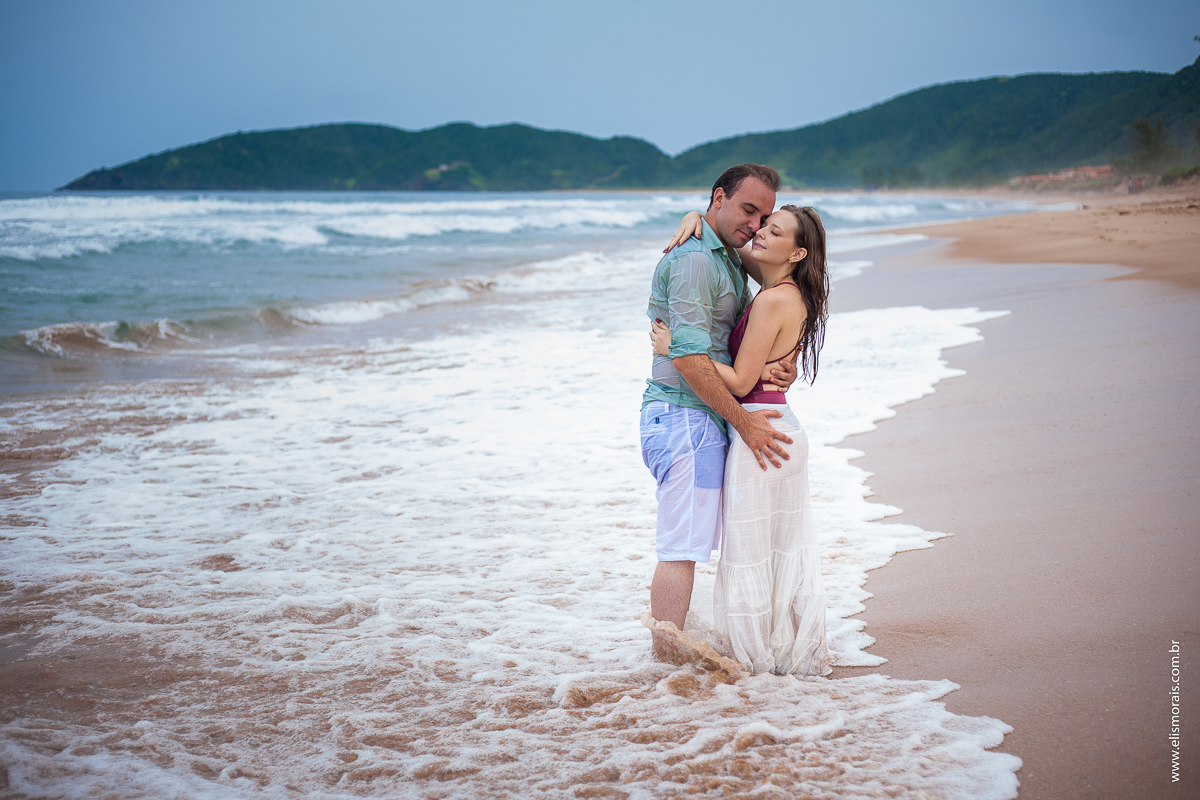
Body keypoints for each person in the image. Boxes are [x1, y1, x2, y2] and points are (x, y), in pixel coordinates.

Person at [651, 203, 832, 677]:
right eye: (762, 225)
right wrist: (696, 216)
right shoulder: (781, 287)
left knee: (750, 556)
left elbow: (739, 380)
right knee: (774, 552)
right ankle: (779, 657)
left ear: (797, 253)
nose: (760, 234)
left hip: (761, 430)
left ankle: (753, 669)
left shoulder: (775, 299)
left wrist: (677, 350)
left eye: (774, 231)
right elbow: (730, 243)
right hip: (773, 426)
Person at [640, 164, 798, 652]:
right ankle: (664, 668)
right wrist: (746, 422)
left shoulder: (725, 255)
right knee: (681, 549)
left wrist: (779, 365)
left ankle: (678, 656)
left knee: (694, 544)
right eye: (748, 210)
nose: (754, 225)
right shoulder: (696, 262)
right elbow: (687, 356)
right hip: (687, 416)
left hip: (703, 417)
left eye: (764, 217)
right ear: (719, 197)